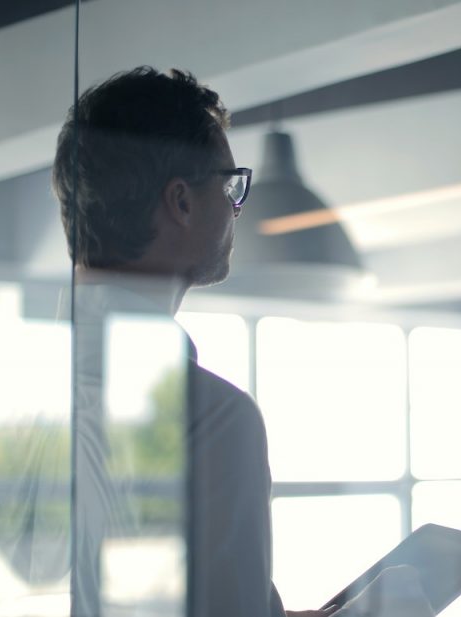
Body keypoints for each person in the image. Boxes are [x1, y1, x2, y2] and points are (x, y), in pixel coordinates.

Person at [49, 66, 337, 617]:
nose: (236, 207)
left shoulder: (17, 405)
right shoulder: (212, 419)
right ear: (180, 202)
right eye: (230, 187)